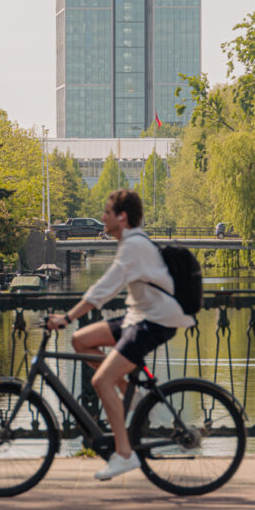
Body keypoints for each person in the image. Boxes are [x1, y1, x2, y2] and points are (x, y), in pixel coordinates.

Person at [47, 187, 194, 481]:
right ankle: (132, 393)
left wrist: (67, 317)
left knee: (101, 380)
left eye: (106, 212)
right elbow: (107, 287)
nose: (102, 218)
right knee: (80, 340)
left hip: (154, 322)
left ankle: (125, 454)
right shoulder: (131, 243)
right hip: (138, 316)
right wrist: (71, 322)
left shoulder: (133, 246)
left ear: (122, 217)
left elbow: (103, 289)